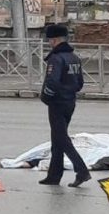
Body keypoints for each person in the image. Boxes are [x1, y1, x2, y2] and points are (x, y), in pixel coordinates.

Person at [39, 24, 90, 187]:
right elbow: (80, 83)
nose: (49, 43)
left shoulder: (56, 58)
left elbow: (52, 81)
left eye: (49, 40)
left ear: (54, 40)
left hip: (57, 102)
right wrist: (70, 92)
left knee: (61, 138)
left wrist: (46, 97)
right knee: (57, 138)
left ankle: (81, 170)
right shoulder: (74, 57)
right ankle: (54, 175)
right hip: (70, 102)